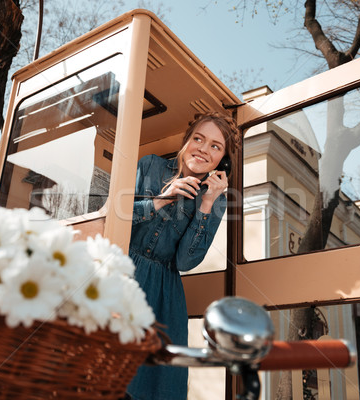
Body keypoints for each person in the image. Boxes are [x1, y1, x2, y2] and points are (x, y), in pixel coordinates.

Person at [125, 112, 239, 400]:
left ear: (222, 161)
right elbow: (118, 218)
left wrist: (207, 204)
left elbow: (185, 262)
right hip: (123, 272)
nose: (203, 149)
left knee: (153, 383)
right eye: (198, 139)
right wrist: (162, 199)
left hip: (163, 294)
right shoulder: (149, 165)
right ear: (186, 141)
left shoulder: (216, 200)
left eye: (215, 146)